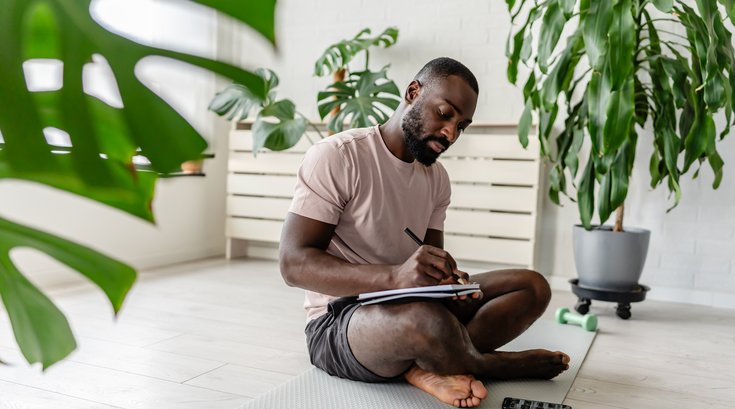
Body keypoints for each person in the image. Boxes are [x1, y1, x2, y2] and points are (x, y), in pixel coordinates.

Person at [279, 57, 570, 408]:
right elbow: (293, 264)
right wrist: (395, 277)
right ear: (413, 92)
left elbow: (430, 270)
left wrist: (449, 280)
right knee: (427, 322)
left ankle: (427, 365)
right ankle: (486, 364)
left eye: (462, 126)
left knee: (532, 285)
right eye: (445, 114)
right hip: (340, 321)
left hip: (412, 304)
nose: (450, 133)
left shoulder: (437, 179)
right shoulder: (338, 157)